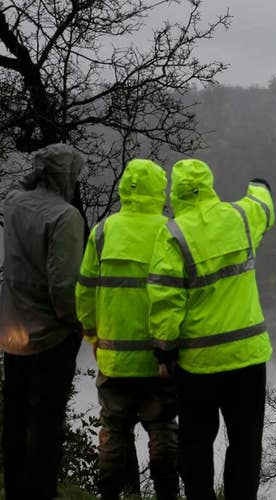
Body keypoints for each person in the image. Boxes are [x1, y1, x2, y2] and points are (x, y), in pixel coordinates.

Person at [147, 158, 274, 499]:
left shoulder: (172, 233)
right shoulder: (241, 218)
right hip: (247, 358)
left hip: (198, 363)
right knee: (246, 443)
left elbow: (165, 298)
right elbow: (264, 203)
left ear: (175, 191)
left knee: (196, 443)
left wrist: (164, 349)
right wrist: (258, 181)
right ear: (210, 185)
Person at [76, 159, 179, 500]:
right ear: (157, 190)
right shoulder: (169, 232)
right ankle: (166, 493)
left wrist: (91, 335)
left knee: (114, 429)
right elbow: (179, 295)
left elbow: (85, 292)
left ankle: (108, 495)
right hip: (157, 357)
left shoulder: (103, 232)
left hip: (114, 357)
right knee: (162, 426)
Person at [0, 144, 85, 499]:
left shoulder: (13, 203)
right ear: (67, 177)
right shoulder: (65, 217)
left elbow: (14, 187)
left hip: (11, 331)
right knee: (46, 425)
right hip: (50, 336)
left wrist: (34, 172)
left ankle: (17, 489)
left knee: (15, 420)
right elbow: (64, 286)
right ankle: (40, 492)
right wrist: (74, 323)